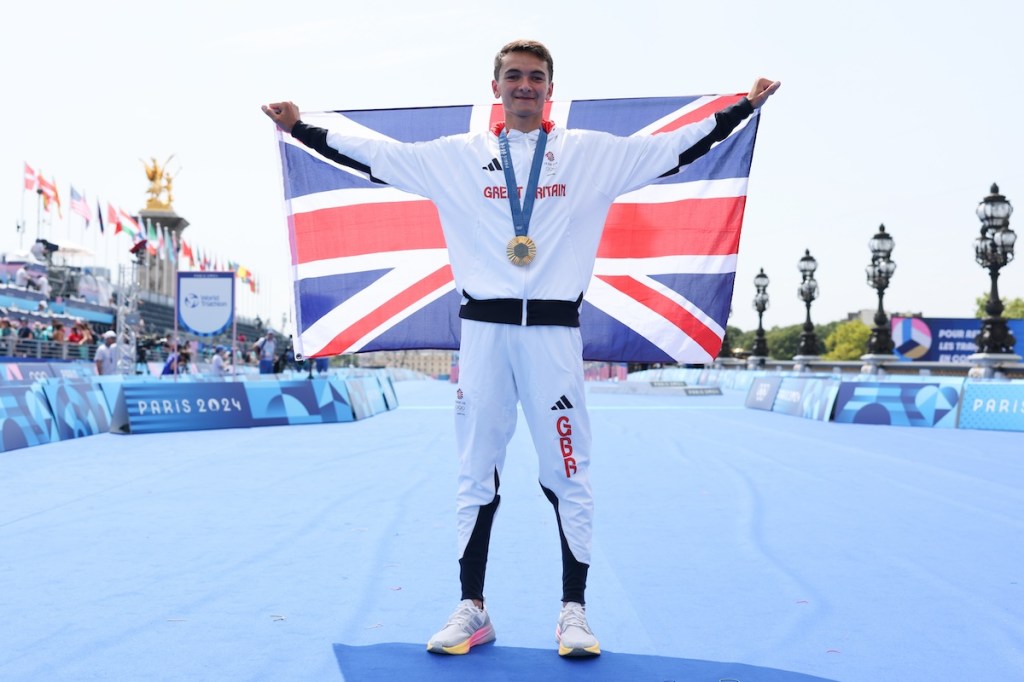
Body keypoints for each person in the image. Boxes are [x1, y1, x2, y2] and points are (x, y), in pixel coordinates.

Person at [263, 39, 779, 658]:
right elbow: (376, 157)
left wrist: (741, 110)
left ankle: (574, 612)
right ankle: (471, 608)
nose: (525, 86)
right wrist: (301, 128)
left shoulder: (588, 156)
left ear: (550, 88)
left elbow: (671, 151)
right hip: (483, 335)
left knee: (568, 471)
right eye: (514, 76)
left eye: (536, 77)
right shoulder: (457, 158)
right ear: (497, 88)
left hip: (555, 338)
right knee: (473, 473)